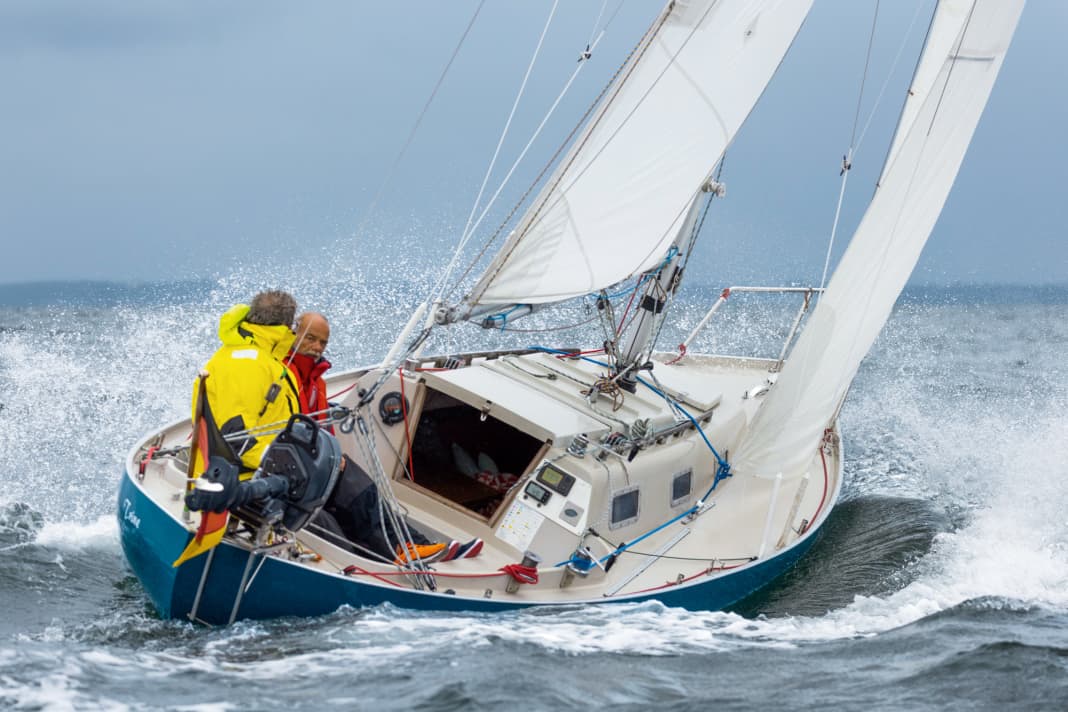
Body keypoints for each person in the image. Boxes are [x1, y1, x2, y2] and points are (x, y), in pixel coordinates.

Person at [288, 311, 483, 565]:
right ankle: (403, 548)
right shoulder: (287, 373)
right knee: (356, 486)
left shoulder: (317, 380)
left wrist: (333, 451)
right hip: (299, 463)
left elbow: (324, 426)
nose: (316, 348)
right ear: (293, 334)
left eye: (322, 342)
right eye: (310, 338)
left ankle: (417, 542)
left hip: (314, 459)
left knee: (365, 488)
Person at [194, 290, 301, 475]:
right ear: (287, 324)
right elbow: (237, 434)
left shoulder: (263, 358)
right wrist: (282, 465)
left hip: (261, 475)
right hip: (239, 482)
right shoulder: (247, 363)